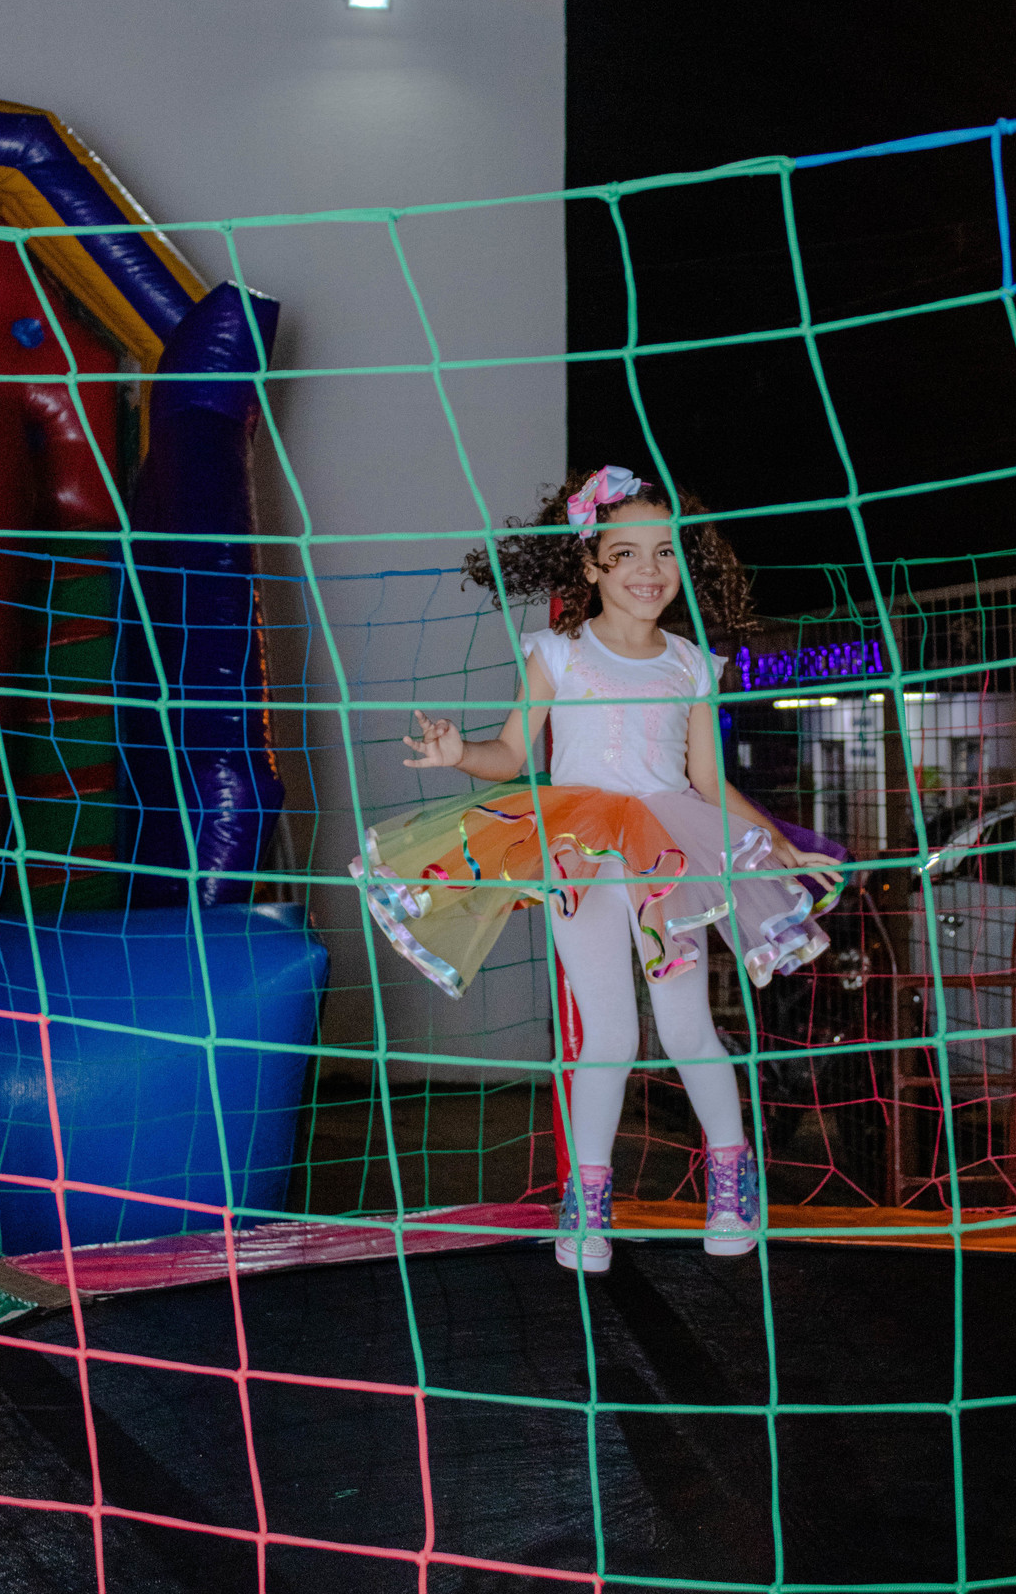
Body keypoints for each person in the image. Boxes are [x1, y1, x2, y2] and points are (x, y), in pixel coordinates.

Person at [355, 467, 843, 1273]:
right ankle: (586, 1204)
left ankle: (732, 1181)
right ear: (589, 565)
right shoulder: (558, 653)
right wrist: (458, 752)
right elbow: (511, 753)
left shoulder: (691, 664)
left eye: (664, 552)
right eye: (626, 554)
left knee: (686, 1027)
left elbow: (706, 780)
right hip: (578, 856)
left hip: (667, 855)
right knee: (608, 1033)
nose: (649, 570)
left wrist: (772, 841)